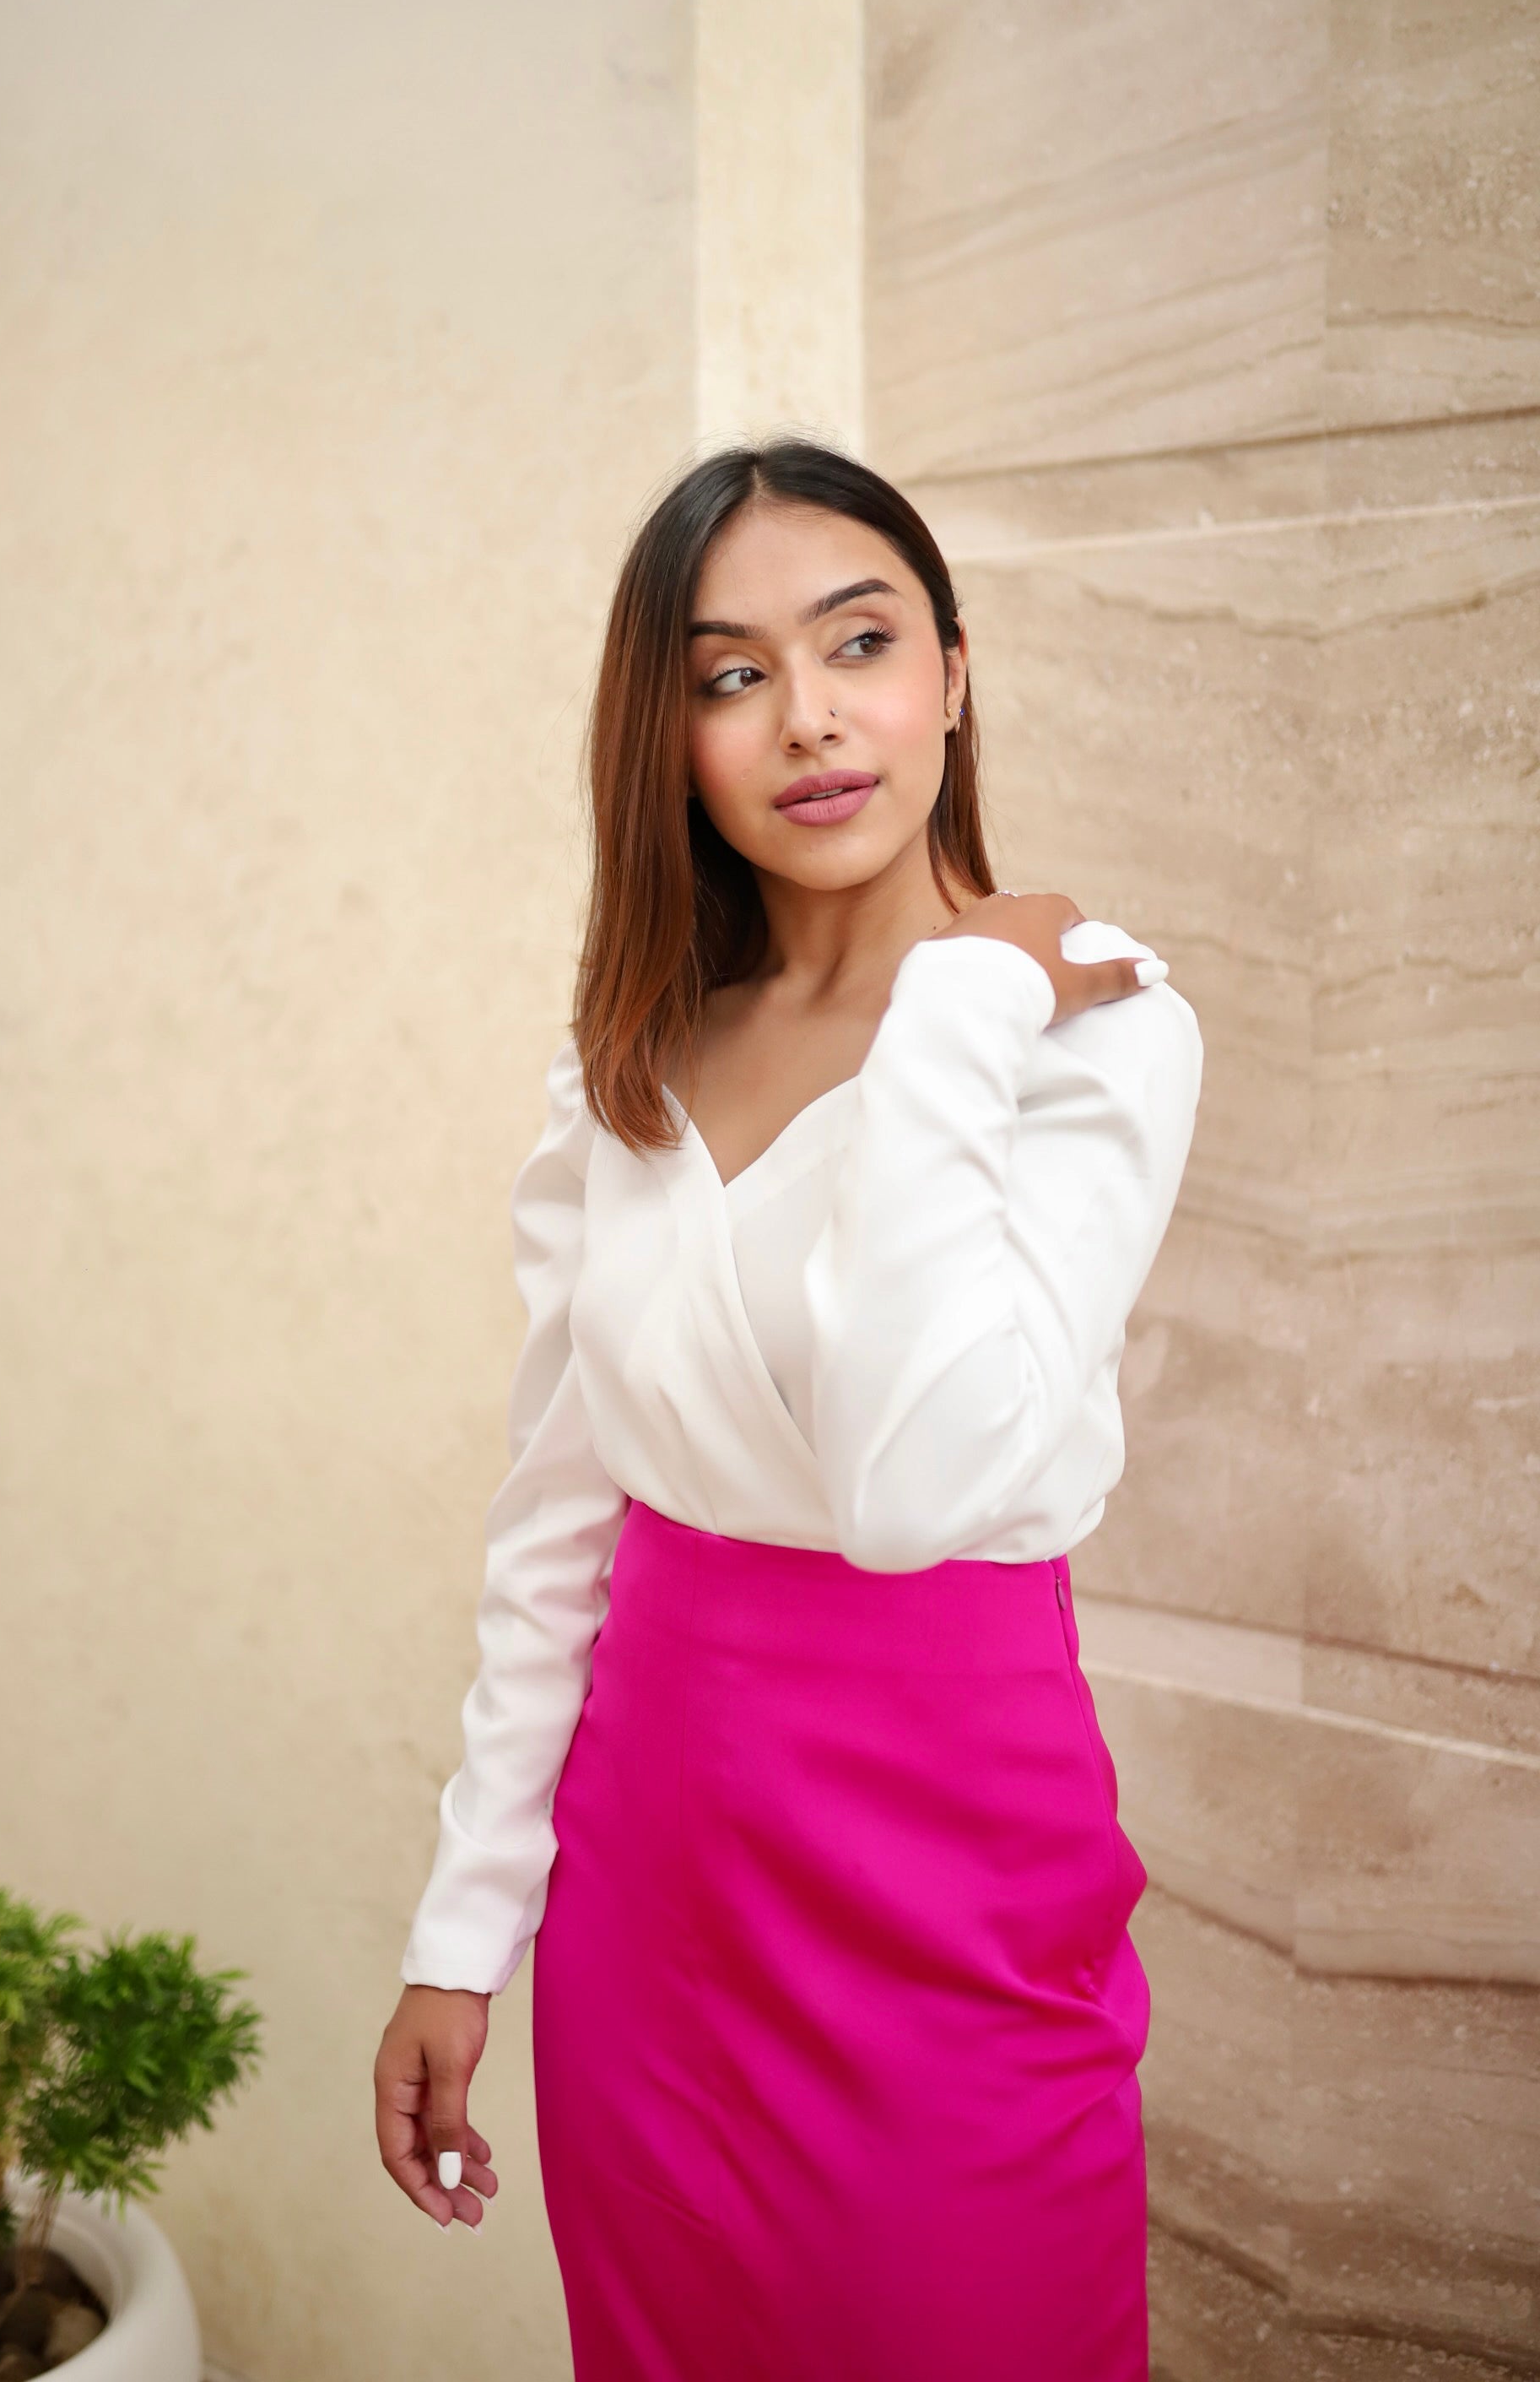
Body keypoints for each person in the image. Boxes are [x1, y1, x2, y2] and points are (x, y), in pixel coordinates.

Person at [375, 436, 1204, 2380]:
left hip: (951, 1856)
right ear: (663, 737)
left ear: (954, 670)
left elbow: (917, 1486)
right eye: (730, 674)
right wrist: (457, 1929)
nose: (811, 721)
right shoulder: (627, 1069)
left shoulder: (1091, 1030)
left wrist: (956, 1012)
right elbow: (558, 1521)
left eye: (860, 644)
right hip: (650, 1863)